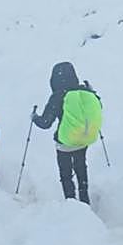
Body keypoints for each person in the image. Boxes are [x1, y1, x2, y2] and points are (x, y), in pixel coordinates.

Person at [31, 62, 100, 204]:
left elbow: (45, 123)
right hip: (83, 140)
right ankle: (84, 198)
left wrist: (34, 117)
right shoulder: (85, 91)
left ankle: (71, 202)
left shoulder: (58, 96)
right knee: (81, 166)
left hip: (65, 142)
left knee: (66, 173)